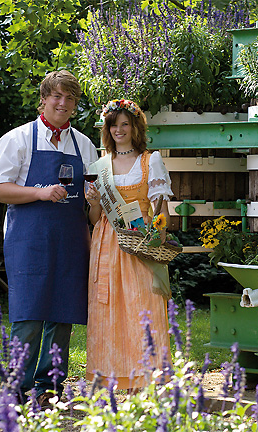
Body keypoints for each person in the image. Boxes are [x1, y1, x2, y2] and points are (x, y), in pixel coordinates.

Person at [0, 70, 98, 405]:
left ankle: (49, 389)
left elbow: (92, 209)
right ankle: (16, 390)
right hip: (28, 240)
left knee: (62, 316)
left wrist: (94, 201)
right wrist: (39, 192)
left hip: (70, 240)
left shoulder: (85, 145)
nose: (63, 104)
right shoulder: (17, 140)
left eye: (70, 99)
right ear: (45, 99)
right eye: (57, 97)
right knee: (29, 315)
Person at [85, 99, 172, 390]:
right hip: (107, 242)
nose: (119, 129)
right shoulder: (99, 166)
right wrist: (95, 204)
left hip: (139, 239)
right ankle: (112, 376)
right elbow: (96, 218)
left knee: (142, 304)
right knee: (107, 307)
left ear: (136, 127)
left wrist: (156, 234)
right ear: (107, 129)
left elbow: (164, 213)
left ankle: (147, 378)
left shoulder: (151, 160)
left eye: (125, 124)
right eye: (114, 125)